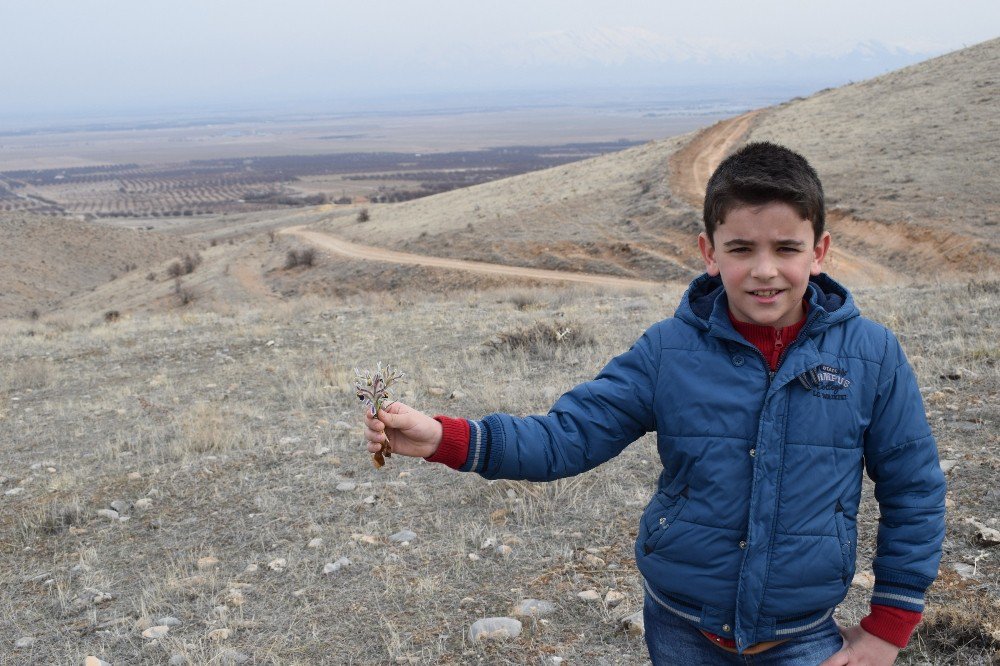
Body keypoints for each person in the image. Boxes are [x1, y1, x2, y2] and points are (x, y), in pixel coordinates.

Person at [362, 142, 946, 665]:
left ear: (818, 251)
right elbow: (567, 436)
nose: (764, 270)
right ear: (708, 252)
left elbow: (913, 488)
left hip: (803, 634)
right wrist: (446, 438)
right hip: (680, 627)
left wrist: (887, 631)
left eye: (786, 248)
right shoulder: (669, 349)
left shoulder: (871, 354)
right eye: (740, 248)